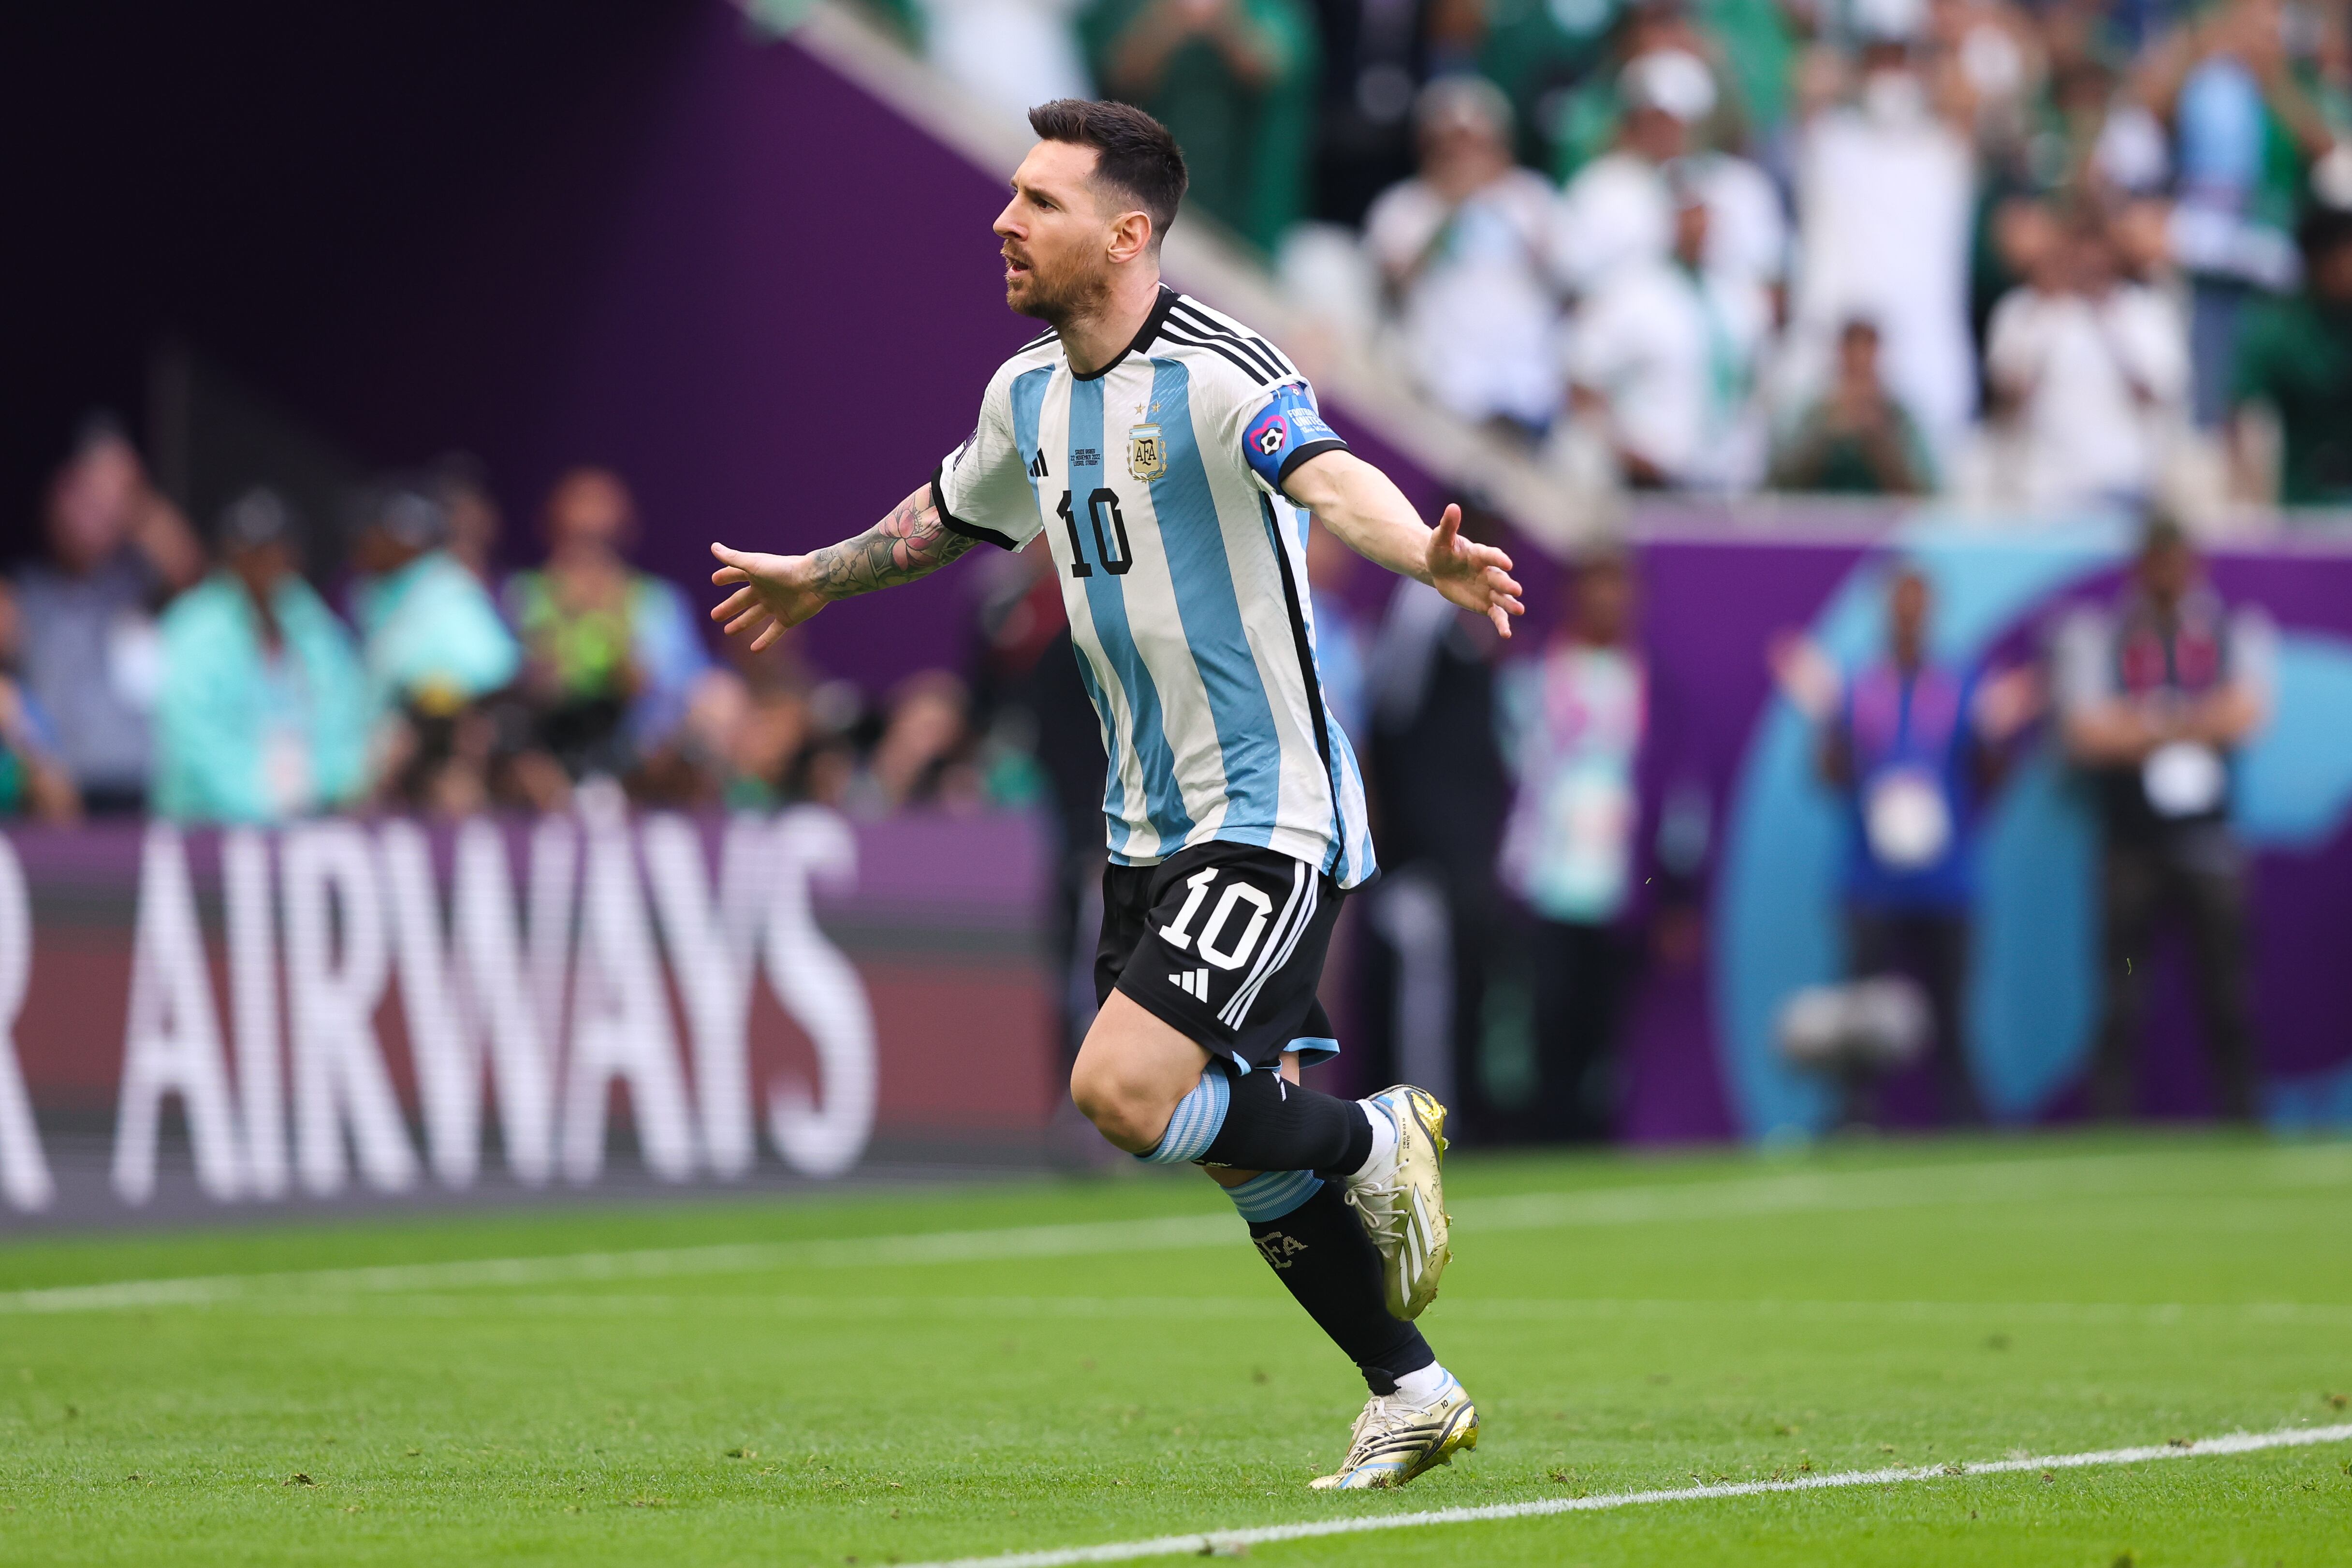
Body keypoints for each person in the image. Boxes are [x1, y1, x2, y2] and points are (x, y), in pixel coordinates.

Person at [709, 99, 1521, 1488]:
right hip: (1146, 827)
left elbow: (1326, 474)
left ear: (1127, 232)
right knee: (1230, 1145)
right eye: (1011, 195)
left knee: (1122, 1091)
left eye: (1039, 200)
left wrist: (1420, 558)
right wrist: (816, 573)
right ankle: (1412, 1386)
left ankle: (1375, 1132)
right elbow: (942, 518)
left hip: (1267, 813)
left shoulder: (1216, 367)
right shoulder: (1024, 394)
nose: (1003, 220)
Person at [1771, 568, 2037, 1125]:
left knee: (1952, 1012)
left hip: (1947, 879)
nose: (1909, 616)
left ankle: (1961, 1115)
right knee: (1861, 1010)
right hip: (1870, 878)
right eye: (1900, 605)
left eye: (1919, 605)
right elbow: (1828, 776)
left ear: (1932, 612)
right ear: (1886, 612)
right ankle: (1855, 1112)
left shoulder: (1963, 687)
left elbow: (1990, 777)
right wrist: (1828, 728)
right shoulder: (1856, 689)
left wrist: (1994, 734)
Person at [2056, 515, 2272, 1121]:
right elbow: (2087, 732)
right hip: (2131, 850)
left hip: (2207, 848)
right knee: (2123, 987)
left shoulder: (2227, 630)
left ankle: (2241, 1115)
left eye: (2178, 562)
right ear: (2140, 566)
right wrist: (2184, 724)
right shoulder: (2105, 634)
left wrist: (2150, 724)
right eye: (2158, 563)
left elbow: (2246, 714)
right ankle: (2111, 1118)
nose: (2168, 575)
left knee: (2225, 989)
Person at [1496, 551, 1647, 1143]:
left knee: (1602, 1020)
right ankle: (1538, 1129)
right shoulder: (1534, 673)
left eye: (1618, 588)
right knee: (1543, 1013)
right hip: (1546, 877)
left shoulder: (1648, 681)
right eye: (1596, 587)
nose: (1607, 602)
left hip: (1618, 883)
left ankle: (1594, 1133)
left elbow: (1667, 785)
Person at [15, 419, 204, 813]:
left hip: (145, 789)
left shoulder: (133, 584)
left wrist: (130, 496)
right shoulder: (29, 592)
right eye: (76, 501)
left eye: (96, 505)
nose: (88, 518)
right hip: (67, 797)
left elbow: (188, 568)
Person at [152, 489, 368, 824]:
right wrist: (265, 811)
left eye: (277, 550)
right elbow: (194, 743)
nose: (267, 563)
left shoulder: (310, 620)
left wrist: (324, 790)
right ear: (230, 555)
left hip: (307, 819)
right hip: (207, 828)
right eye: (253, 552)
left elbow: (343, 715)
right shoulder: (194, 628)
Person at [1361, 77, 1562, 435]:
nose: (1466, 157)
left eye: (1478, 144)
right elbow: (1392, 286)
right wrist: (1453, 212)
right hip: (1440, 389)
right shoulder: (1403, 207)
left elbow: (1562, 275)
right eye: (1452, 145)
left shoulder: (1531, 198)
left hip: (1523, 393)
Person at [504, 467, 714, 780]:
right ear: (551, 533)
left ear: (624, 537)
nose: (588, 560)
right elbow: (510, 680)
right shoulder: (523, 595)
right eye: (576, 541)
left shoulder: (656, 601)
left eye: (602, 543)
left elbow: (681, 686)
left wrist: (616, 626)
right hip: (544, 744)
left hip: (638, 747)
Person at [1565, 185, 1770, 489]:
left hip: (1723, 483)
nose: (1698, 226)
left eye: (1704, 215)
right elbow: (1580, 378)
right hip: (1647, 480)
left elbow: (1751, 387)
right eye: (1688, 215)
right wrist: (1619, 448)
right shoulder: (1630, 291)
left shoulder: (1739, 298)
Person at [1983, 209, 2190, 510]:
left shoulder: (2146, 314)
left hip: (2124, 484)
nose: (2089, 265)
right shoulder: (2024, 310)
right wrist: (2046, 320)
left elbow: (2158, 395)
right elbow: (2004, 400)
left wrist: (2107, 324)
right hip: (2044, 490)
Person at [1080, 0, 1319, 253]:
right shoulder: (1130, 9)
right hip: (1140, 200)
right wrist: (1171, 19)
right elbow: (1118, 73)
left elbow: (1272, 68)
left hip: (1242, 220)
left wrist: (1224, 18)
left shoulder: (1276, 11)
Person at [350, 479, 526, 812]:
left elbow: (498, 671)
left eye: (384, 535)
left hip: (445, 740)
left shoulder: (447, 587)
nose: (370, 543)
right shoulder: (369, 596)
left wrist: (436, 707)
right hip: (381, 747)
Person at [2230, 205, 2352, 506]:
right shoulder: (2279, 331)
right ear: (2319, 261)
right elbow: (2244, 416)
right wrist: (2251, 502)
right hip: (2301, 507)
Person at [1768, 319, 1937, 494]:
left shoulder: (1900, 418)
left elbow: (1925, 491)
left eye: (1868, 352)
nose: (1860, 361)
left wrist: (1877, 438)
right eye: (1852, 353)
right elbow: (1781, 485)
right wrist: (1828, 433)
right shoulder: (1812, 414)